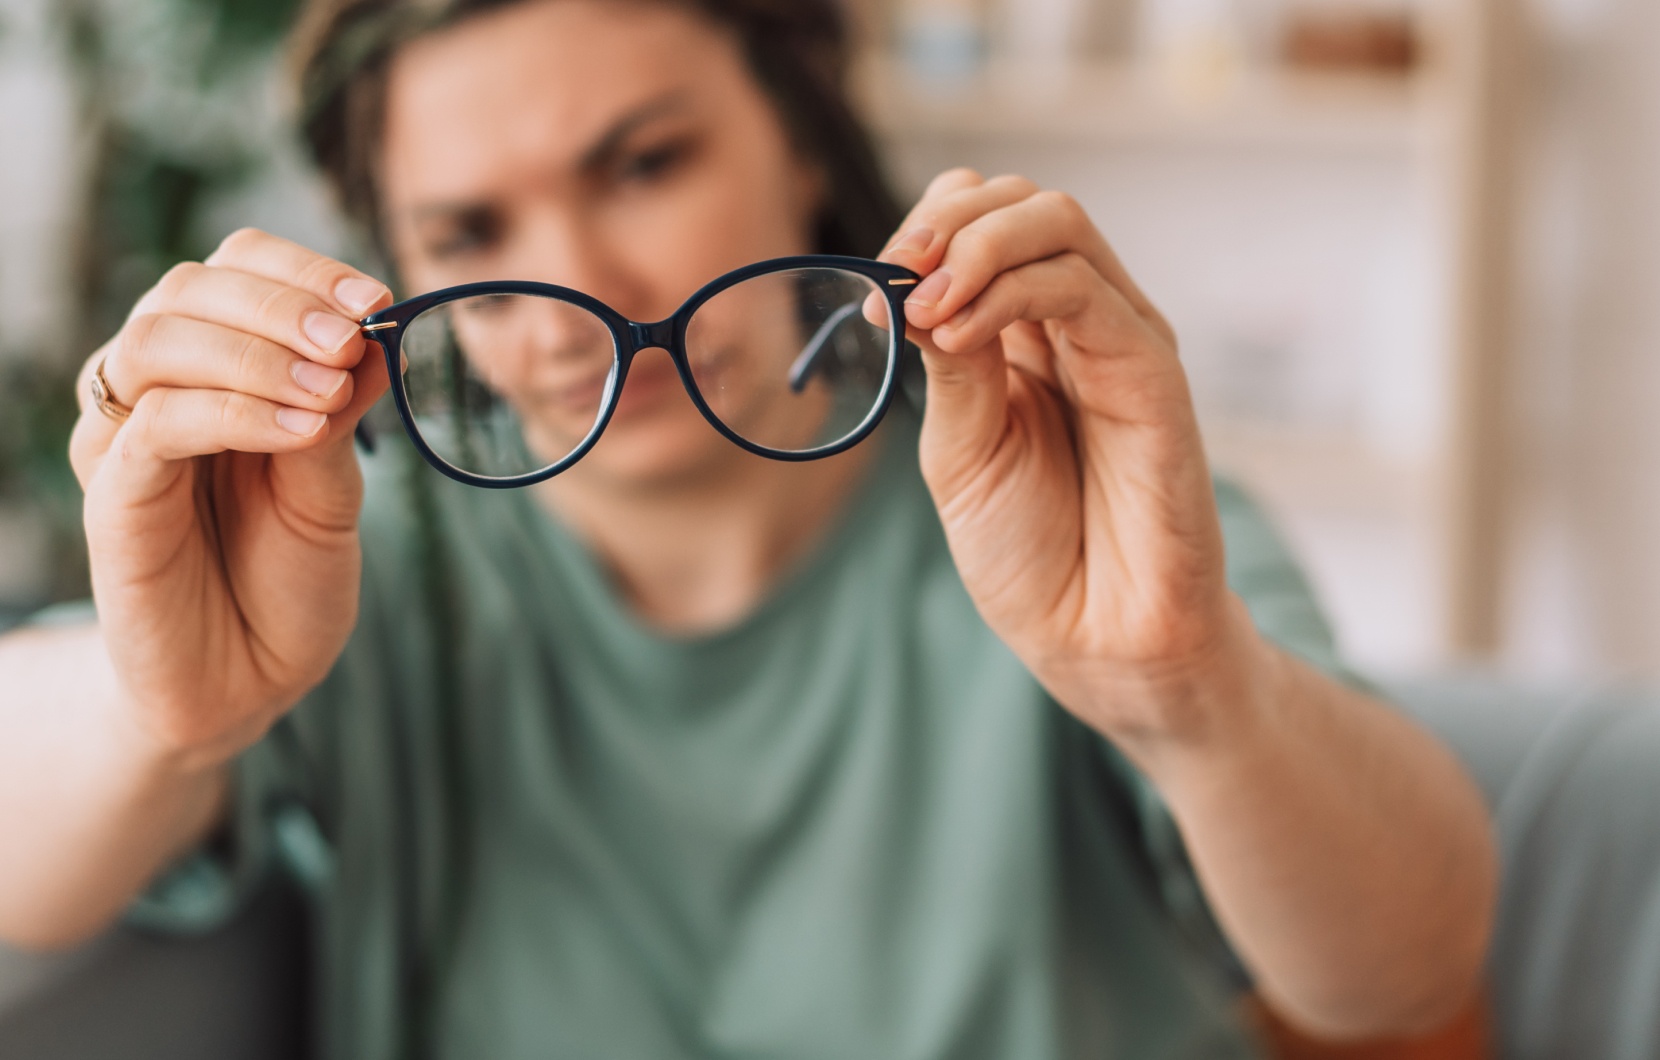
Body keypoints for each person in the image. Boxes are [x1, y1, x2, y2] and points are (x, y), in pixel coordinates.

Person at [0, 0, 1498, 1056]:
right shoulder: (360, 574)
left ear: (800, 142)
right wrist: (162, 715)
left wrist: (1191, 695)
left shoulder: (1084, 517)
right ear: (395, 269)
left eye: (645, 164)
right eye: (470, 235)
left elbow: (1412, 964)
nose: (580, 288)